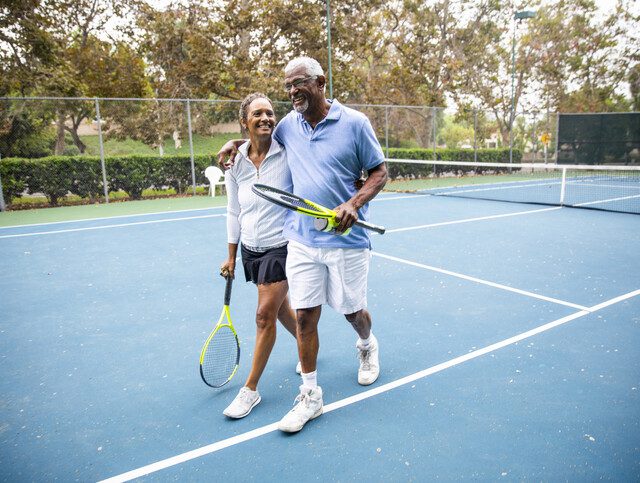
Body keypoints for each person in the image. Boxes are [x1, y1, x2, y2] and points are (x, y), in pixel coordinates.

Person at [218, 57, 388, 433]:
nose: (293, 91)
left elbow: (380, 172)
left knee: (351, 311)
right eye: (288, 86)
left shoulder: (356, 124)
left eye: (299, 83)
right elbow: (258, 138)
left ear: (320, 82)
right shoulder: (288, 128)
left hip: (347, 241)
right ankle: (310, 395)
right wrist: (236, 143)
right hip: (301, 240)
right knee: (306, 317)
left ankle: (366, 344)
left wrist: (353, 204)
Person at [220, 92, 300, 419]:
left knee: (263, 315)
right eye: (257, 114)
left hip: (282, 245)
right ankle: (306, 340)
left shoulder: (288, 150)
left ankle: (250, 390)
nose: (266, 118)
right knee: (280, 310)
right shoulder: (234, 161)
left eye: (270, 113)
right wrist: (230, 256)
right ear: (245, 122)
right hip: (251, 250)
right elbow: (233, 210)